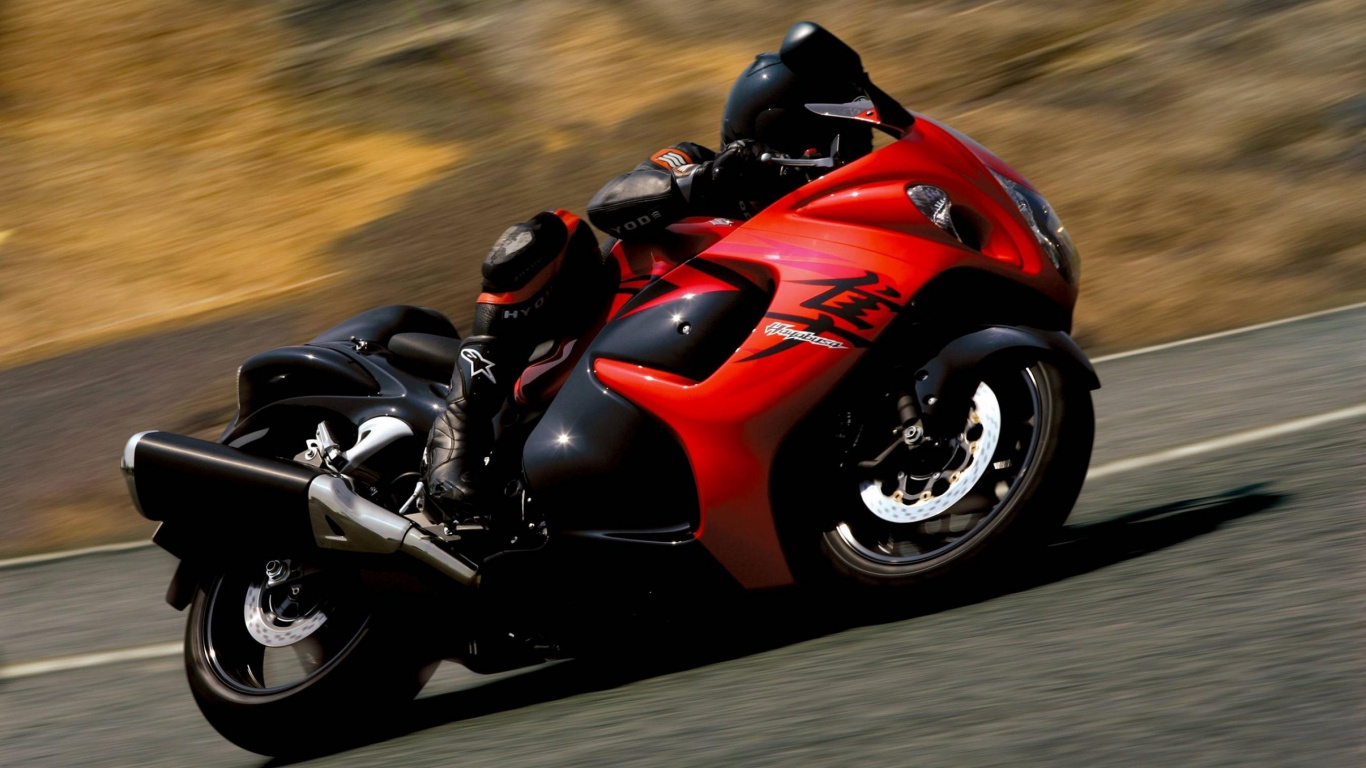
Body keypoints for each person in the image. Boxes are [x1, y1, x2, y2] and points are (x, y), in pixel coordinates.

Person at [418, 45, 876, 527]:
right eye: (834, 141)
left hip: (705, 390)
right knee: (554, 232)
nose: (847, 156)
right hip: (577, 355)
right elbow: (609, 203)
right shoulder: (692, 160)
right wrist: (704, 181)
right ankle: (456, 438)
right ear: (778, 129)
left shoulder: (818, 229)